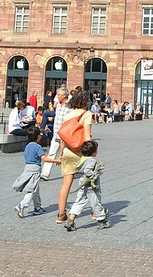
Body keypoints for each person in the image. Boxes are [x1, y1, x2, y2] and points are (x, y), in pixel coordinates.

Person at [55, 90, 93, 224]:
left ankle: (60, 214)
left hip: (67, 151)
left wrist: (61, 153)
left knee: (66, 184)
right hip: (81, 152)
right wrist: (92, 153)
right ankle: (95, 212)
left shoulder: (68, 114)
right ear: (86, 102)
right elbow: (87, 136)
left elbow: (63, 137)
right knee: (90, 181)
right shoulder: (86, 114)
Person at [13, 126, 61, 218]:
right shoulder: (38, 147)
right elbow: (44, 159)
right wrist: (57, 161)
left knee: (35, 188)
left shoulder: (27, 146)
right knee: (32, 189)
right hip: (35, 169)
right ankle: (21, 205)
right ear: (38, 136)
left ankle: (37, 207)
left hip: (27, 167)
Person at [64, 140, 110, 231]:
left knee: (80, 201)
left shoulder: (83, 158)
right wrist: (95, 174)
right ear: (94, 152)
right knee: (95, 202)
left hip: (82, 182)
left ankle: (71, 219)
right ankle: (101, 220)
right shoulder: (91, 160)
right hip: (90, 185)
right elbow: (88, 171)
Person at [41, 87, 69, 181]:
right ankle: (45, 173)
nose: (57, 96)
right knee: (51, 153)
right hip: (56, 134)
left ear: (64, 96)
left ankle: (71, 172)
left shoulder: (69, 107)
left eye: (59, 95)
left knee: (66, 154)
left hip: (65, 135)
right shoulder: (58, 106)